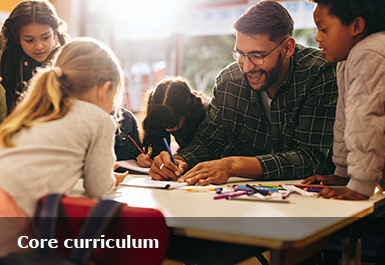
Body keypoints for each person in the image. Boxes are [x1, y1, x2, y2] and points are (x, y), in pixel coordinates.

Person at [149, 0, 338, 185]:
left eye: (257, 56)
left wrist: (234, 165)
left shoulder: (319, 73)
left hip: (310, 202)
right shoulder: (229, 82)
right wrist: (181, 161)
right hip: (244, 201)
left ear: (287, 48)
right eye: (240, 54)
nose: (247, 67)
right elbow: (207, 142)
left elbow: (313, 159)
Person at [0, 38, 129, 220]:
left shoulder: (40, 109)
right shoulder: (99, 119)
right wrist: (108, 178)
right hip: (11, 212)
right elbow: (99, 189)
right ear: (104, 89)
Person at [302, 0, 385, 200]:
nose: (318, 37)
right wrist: (343, 174)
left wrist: (359, 185)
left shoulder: (370, 52)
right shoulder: (347, 59)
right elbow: (346, 119)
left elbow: (366, 121)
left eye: (324, 29)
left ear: (356, 26)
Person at [0, 0, 70, 115]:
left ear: (55, 33)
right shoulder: (7, 61)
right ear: (17, 38)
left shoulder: (67, 62)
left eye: (45, 37)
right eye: (29, 40)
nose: (39, 46)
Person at [137, 76, 210, 168]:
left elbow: (207, 151)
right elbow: (159, 152)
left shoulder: (207, 115)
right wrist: (149, 158)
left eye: (173, 122)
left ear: (187, 112)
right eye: (162, 121)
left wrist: (181, 156)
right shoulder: (156, 115)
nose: (167, 128)